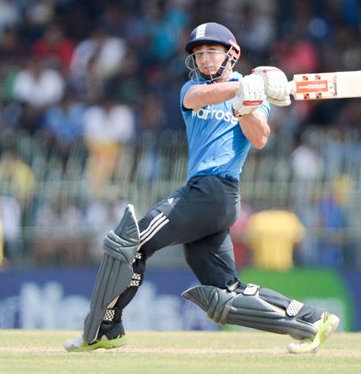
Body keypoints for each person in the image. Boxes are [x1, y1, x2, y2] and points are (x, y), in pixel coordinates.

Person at [64, 22, 339, 354]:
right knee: (226, 292)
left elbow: (260, 137)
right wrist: (242, 88)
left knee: (130, 244)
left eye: (212, 52)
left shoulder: (250, 91)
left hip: (214, 192)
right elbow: (197, 98)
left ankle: (105, 328)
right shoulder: (193, 89)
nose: (205, 60)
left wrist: (248, 104)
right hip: (208, 199)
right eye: (199, 54)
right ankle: (310, 319)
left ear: (231, 55)